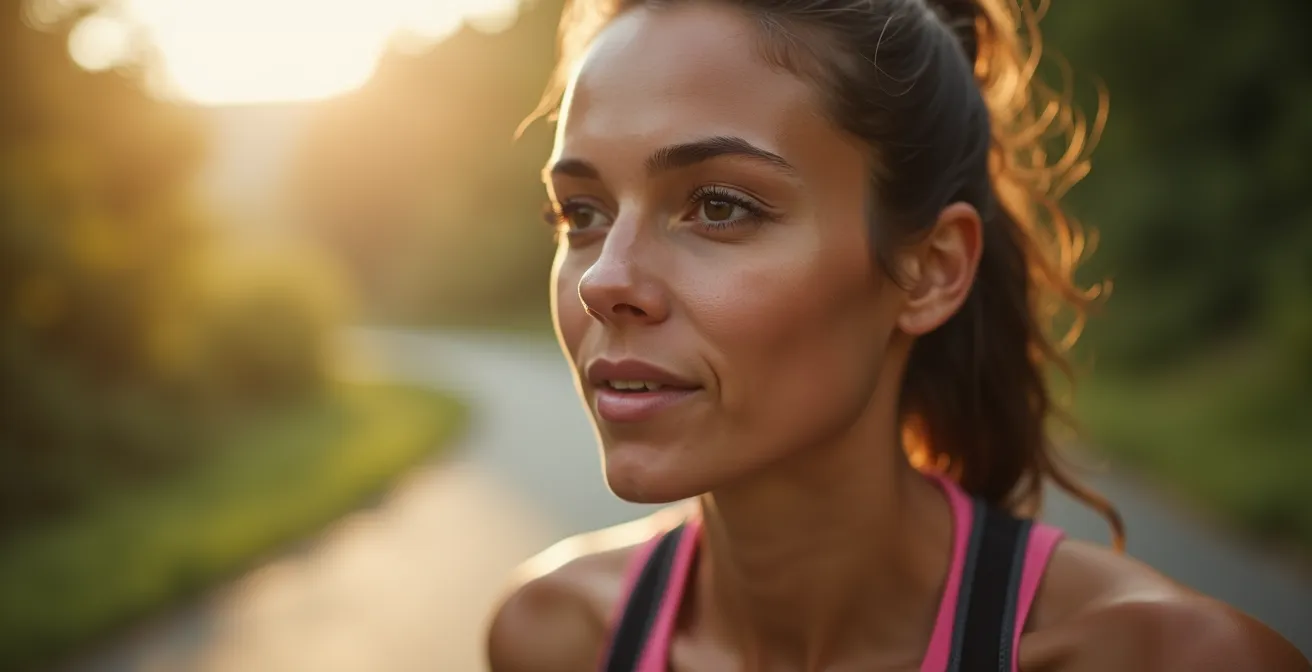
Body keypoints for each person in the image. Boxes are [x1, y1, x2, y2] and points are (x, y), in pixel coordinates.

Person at [486, 0, 1310, 670]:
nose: (602, 280)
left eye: (720, 206)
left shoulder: (1170, 660)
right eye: (582, 214)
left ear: (931, 269)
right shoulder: (556, 636)